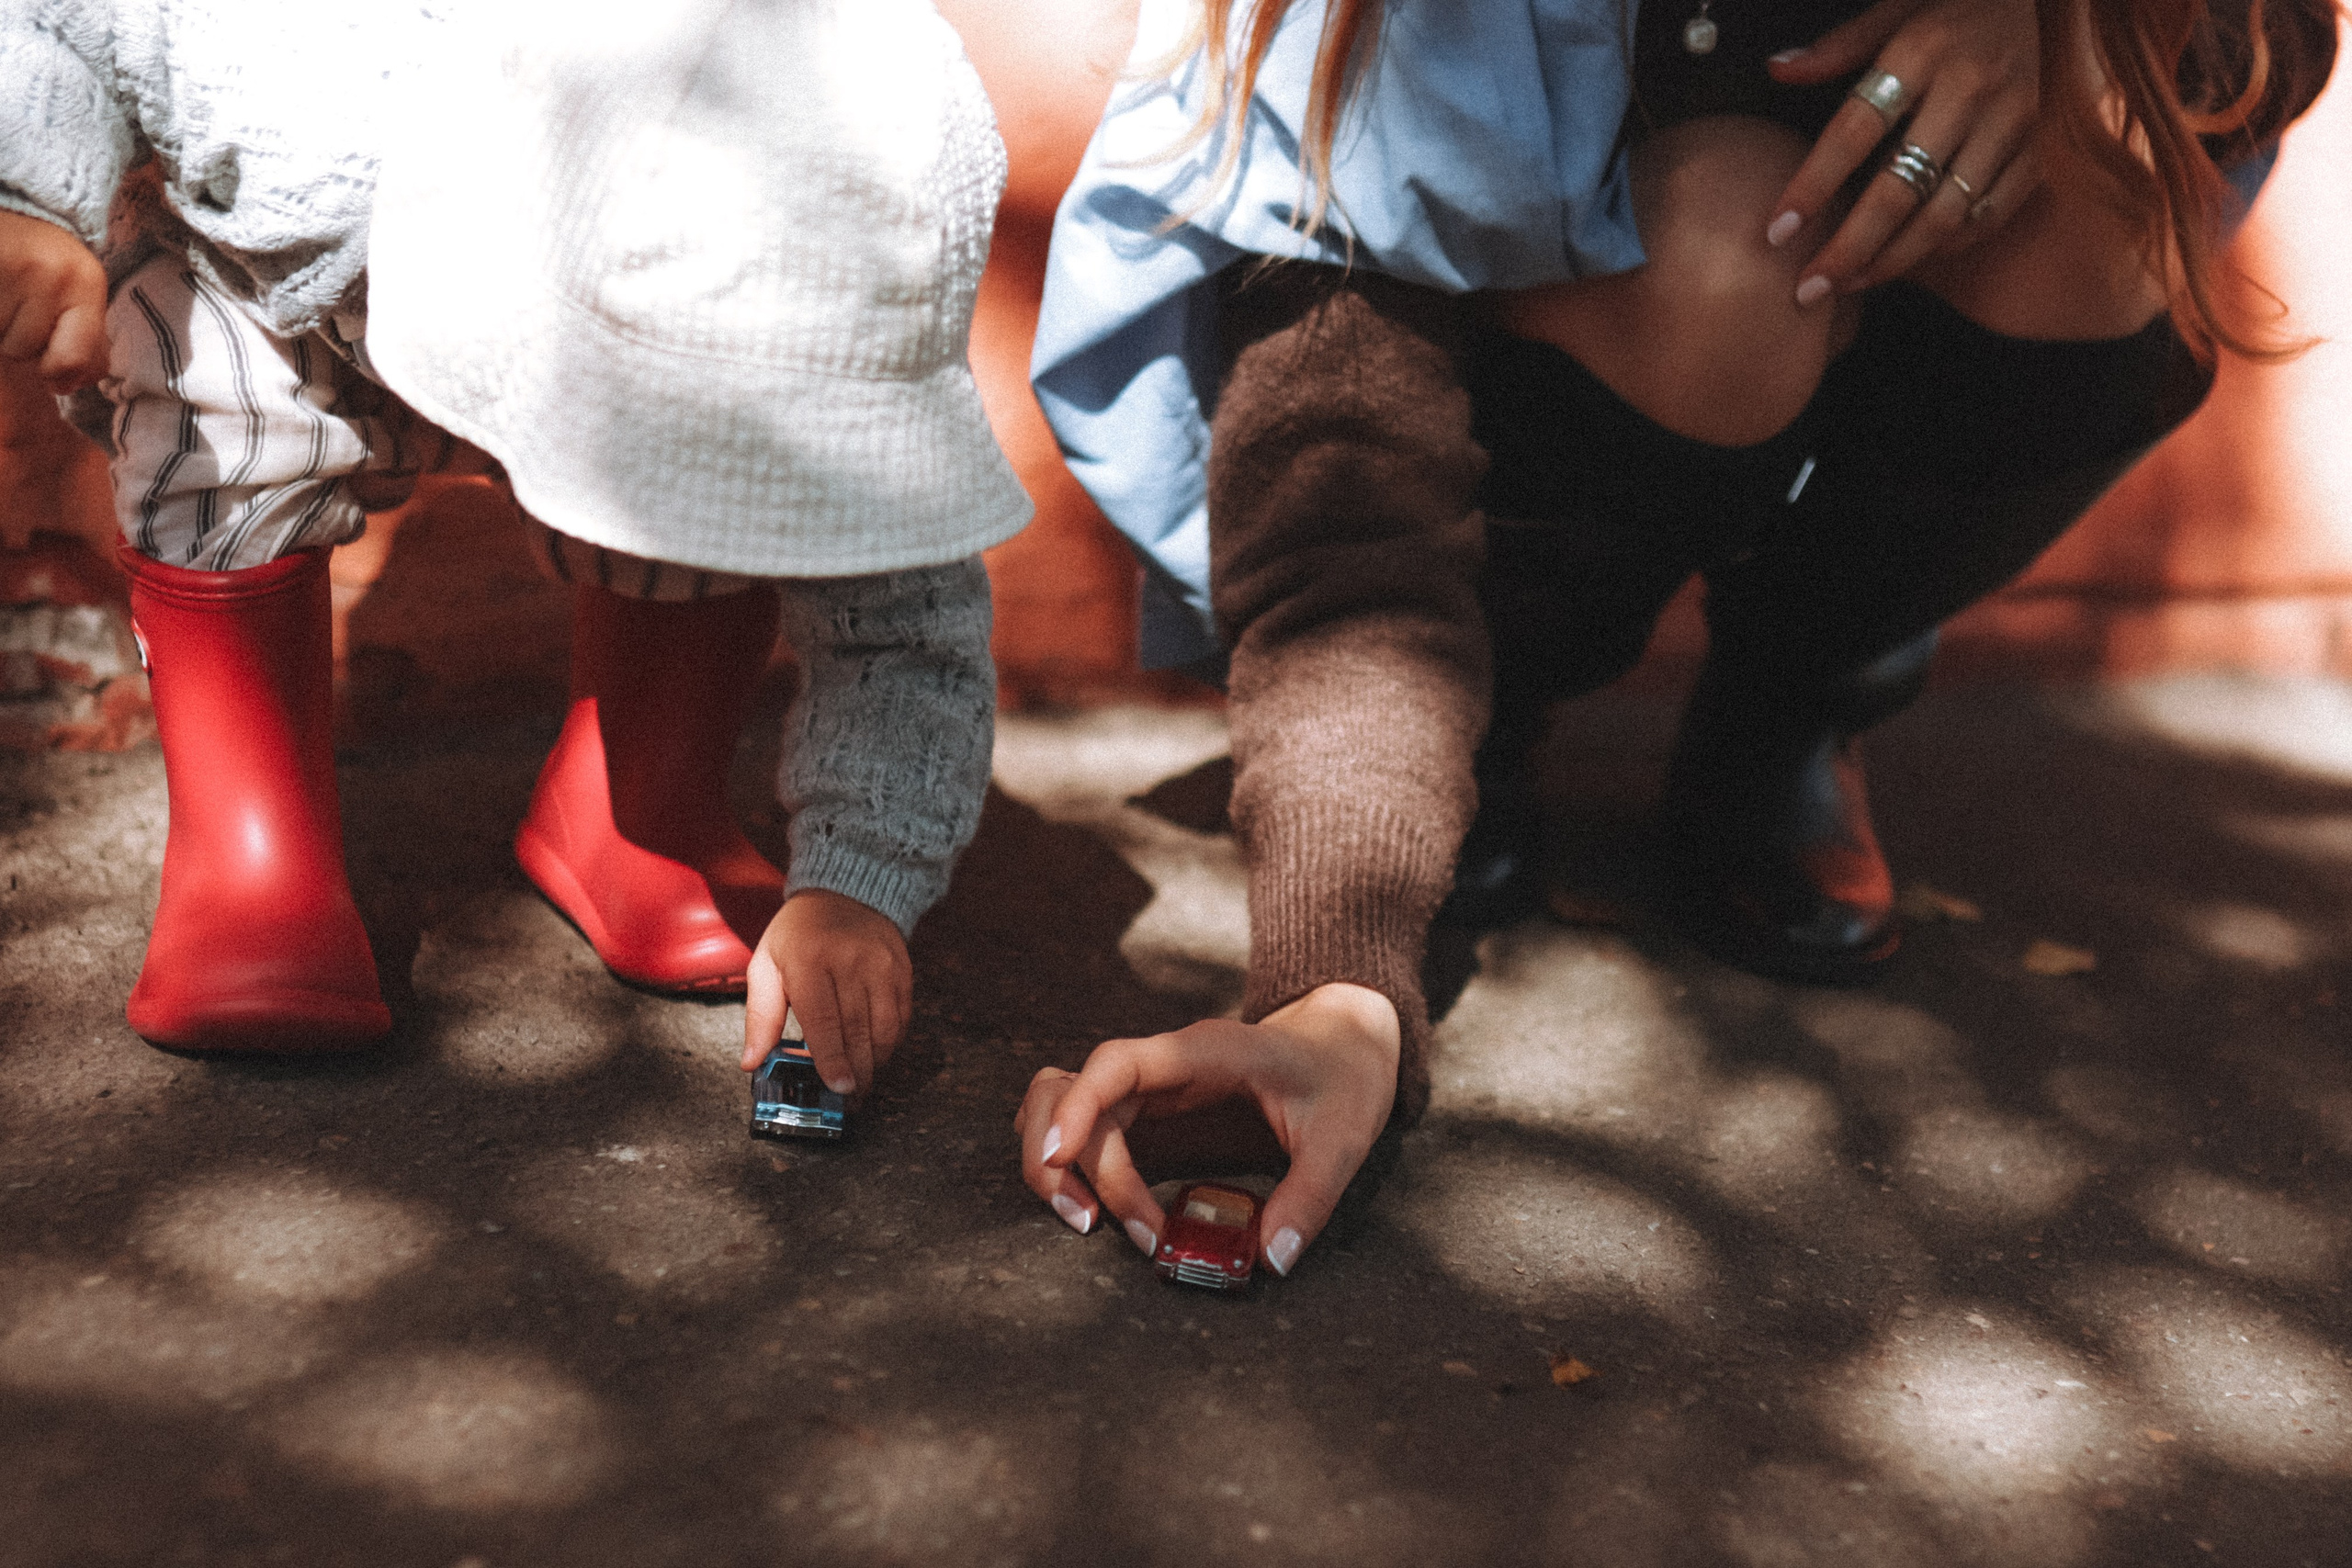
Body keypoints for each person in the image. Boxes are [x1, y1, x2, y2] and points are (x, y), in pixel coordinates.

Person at [1018, 0, 2335, 1276]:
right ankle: (1485, 729)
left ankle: (1792, 702)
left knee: (2099, 182)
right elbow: (1341, 474)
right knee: (1729, 260)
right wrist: (1335, 980)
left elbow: (2278, 39)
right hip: (1554, 388)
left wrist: (2055, 31)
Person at [0, 0, 1034, 1093]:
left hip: (617, 342)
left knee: (721, 486)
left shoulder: (856, 241)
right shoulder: (283, 75)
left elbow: (909, 623)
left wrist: (856, 889)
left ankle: (637, 806)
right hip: (308, 284)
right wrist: (32, 197)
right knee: (197, 363)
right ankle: (252, 863)